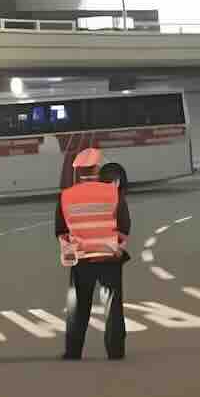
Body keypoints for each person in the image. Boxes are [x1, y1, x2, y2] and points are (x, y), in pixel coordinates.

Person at [56, 148, 130, 360]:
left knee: (77, 307)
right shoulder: (113, 193)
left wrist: (69, 253)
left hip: (81, 259)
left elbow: (61, 230)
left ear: (78, 171)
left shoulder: (66, 196)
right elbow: (124, 224)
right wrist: (118, 247)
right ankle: (115, 351)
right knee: (113, 307)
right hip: (109, 257)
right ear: (97, 168)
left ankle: (73, 352)